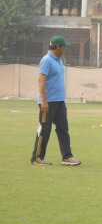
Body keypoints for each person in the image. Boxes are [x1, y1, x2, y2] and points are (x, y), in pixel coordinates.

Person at [30, 35, 80, 166]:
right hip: (48, 103)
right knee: (45, 130)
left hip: (59, 102)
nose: (65, 50)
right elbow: (41, 81)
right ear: (58, 47)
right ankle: (37, 158)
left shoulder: (58, 60)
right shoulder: (46, 60)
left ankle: (67, 157)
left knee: (63, 129)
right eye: (64, 47)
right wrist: (44, 102)